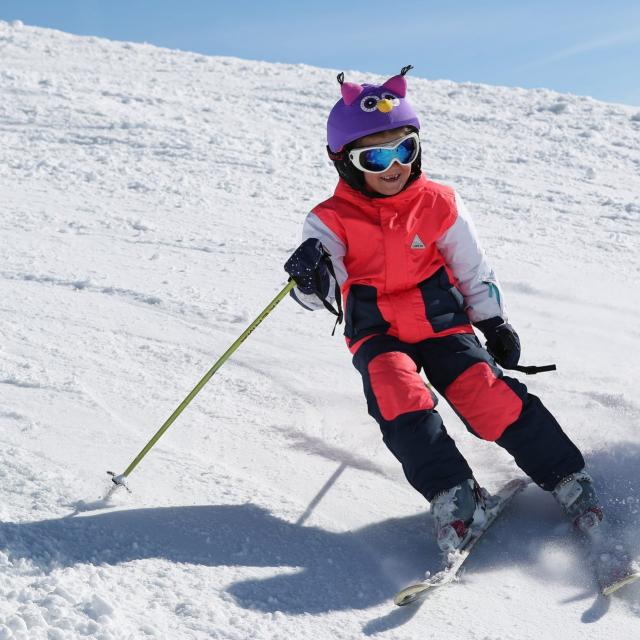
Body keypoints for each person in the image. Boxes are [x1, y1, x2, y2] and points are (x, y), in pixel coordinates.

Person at [284, 66, 603, 554]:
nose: (393, 166)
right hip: (377, 332)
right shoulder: (328, 221)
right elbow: (315, 298)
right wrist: (309, 276)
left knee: (487, 394)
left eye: (404, 149)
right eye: (375, 156)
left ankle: (567, 477)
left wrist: (492, 320)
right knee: (398, 396)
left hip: (441, 323)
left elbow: (472, 267)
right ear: (344, 162)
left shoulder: (438, 202)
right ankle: (456, 495)